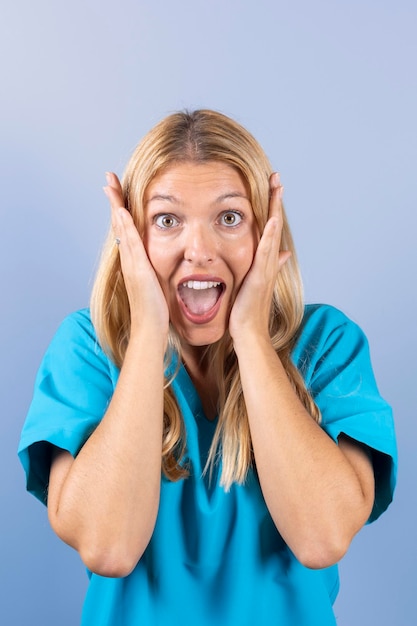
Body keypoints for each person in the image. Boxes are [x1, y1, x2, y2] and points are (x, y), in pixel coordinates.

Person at [19, 109, 397, 626]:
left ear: (267, 232)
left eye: (230, 218)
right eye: (167, 220)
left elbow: (322, 538)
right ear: (131, 236)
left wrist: (251, 337)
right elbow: (108, 549)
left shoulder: (327, 344)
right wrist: (149, 333)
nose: (199, 251)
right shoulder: (89, 347)